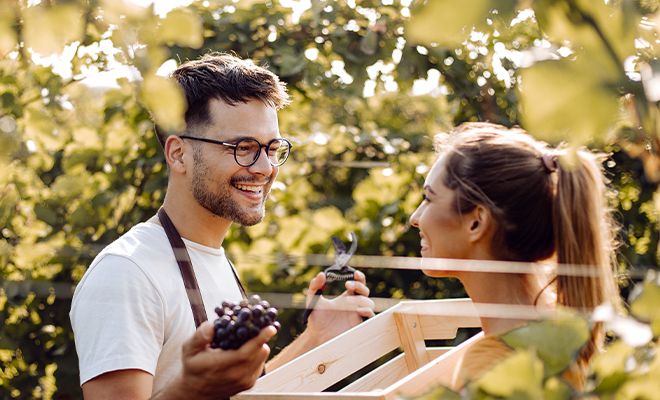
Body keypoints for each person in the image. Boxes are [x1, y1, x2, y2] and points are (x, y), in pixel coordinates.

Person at [70, 54, 375, 400]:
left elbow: (239, 394)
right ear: (179, 155)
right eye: (243, 147)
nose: (264, 167)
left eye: (272, 148)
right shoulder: (127, 273)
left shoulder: (212, 258)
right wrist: (191, 389)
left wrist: (315, 337)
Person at [409, 122, 620, 391]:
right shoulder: (557, 325)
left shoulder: (490, 365)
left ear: (476, 222)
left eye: (428, 198)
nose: (414, 218)